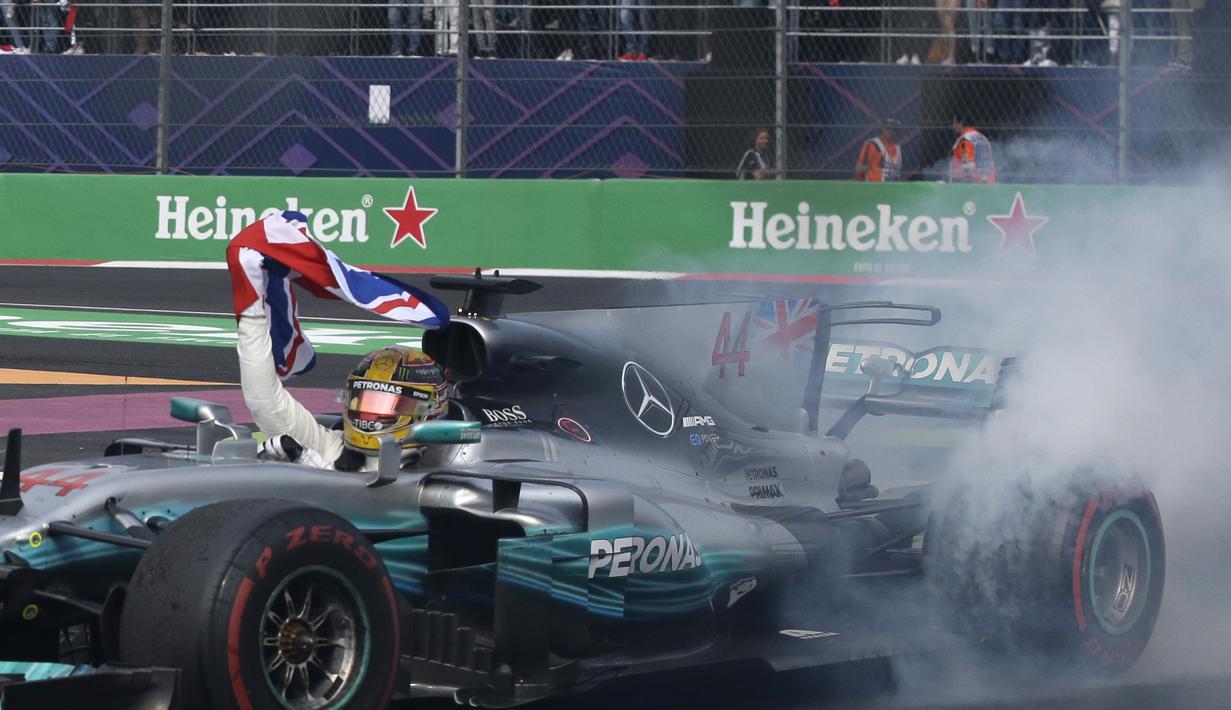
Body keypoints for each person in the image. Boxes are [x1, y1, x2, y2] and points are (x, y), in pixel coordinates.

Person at [238, 302, 450, 472]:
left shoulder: (440, 469)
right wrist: (252, 312)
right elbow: (266, 402)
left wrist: (315, 471)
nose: (370, 416)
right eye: (364, 399)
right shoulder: (333, 447)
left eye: (390, 405)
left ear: (428, 410)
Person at [949, 114, 996, 183]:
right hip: (987, 181)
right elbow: (990, 163)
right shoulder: (983, 138)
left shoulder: (965, 139)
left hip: (969, 184)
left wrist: (976, 181)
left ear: (961, 123)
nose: (952, 126)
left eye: (954, 123)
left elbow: (967, 162)